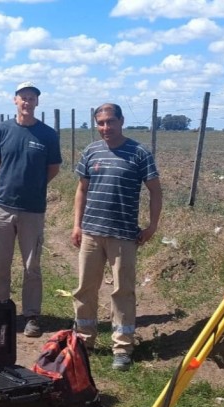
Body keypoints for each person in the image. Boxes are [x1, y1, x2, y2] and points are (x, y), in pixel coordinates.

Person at [71, 103, 162, 371]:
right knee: (85, 288)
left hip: (123, 235)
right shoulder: (90, 151)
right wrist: (77, 226)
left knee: (122, 291)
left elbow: (155, 191)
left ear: (121, 121)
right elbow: (81, 190)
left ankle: (122, 347)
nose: (105, 128)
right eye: (100, 123)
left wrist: (152, 226)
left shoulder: (139, 153)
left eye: (110, 122)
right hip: (91, 233)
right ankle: (84, 341)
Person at [0, 81, 62, 337]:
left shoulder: (48, 135)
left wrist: (34, 185)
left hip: (33, 210)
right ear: (15, 101)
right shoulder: (2, 130)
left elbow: (53, 168)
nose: (27, 102)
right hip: (3, 206)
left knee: (32, 266)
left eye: (32, 98)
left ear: (37, 103)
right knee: (0, 264)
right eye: (23, 98)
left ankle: (31, 316)